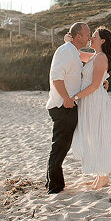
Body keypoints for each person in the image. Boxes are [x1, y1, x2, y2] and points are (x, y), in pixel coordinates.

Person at [69, 26, 111, 189]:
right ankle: (100, 175)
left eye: (95, 36)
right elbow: (76, 56)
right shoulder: (94, 56)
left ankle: (103, 176)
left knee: (96, 135)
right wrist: (68, 42)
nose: (91, 38)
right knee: (92, 135)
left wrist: (74, 97)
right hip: (89, 100)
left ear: (103, 40)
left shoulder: (100, 58)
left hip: (93, 101)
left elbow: (94, 86)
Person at [45, 22, 90, 194]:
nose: (89, 37)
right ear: (78, 36)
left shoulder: (73, 51)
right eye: (87, 34)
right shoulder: (66, 51)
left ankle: (52, 182)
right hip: (62, 105)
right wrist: (65, 98)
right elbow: (56, 77)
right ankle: (54, 187)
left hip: (67, 104)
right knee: (60, 146)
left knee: (61, 146)